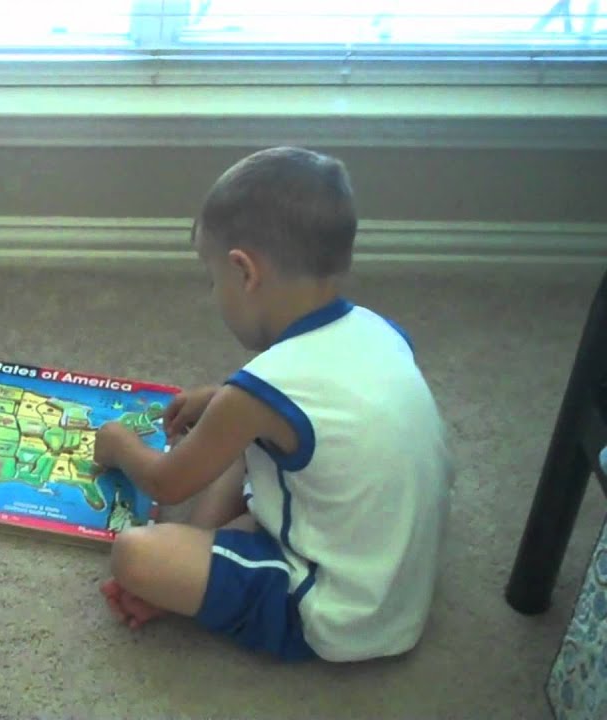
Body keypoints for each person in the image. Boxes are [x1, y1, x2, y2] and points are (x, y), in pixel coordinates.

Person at [94, 146, 453, 663]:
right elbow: (327, 400)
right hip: (388, 568)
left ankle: (188, 570)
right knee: (245, 441)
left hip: (338, 612)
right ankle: (196, 556)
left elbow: (166, 483)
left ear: (244, 271)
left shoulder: (259, 392)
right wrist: (222, 401)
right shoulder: (380, 332)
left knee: (135, 554)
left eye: (213, 279)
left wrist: (118, 444)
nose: (214, 294)